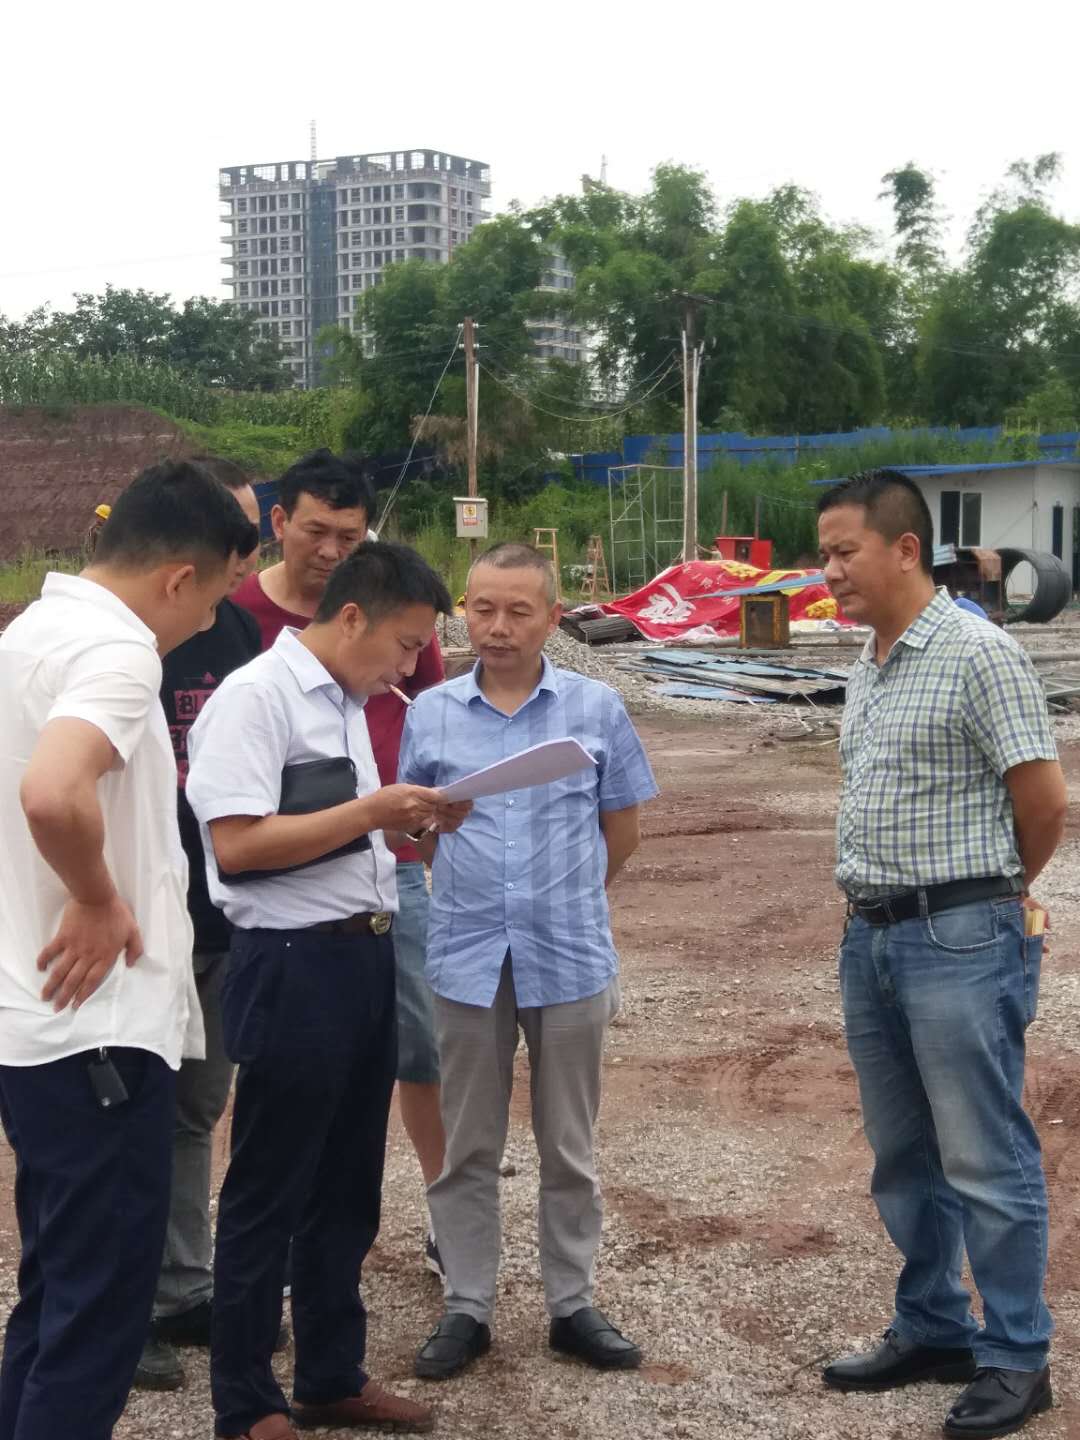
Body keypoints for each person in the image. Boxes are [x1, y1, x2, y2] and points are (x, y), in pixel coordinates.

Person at [186, 542, 469, 1440]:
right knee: (269, 1188)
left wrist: (411, 826)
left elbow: (336, 840)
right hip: (291, 964)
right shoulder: (255, 699)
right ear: (352, 617)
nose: (410, 668)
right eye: (406, 644)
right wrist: (372, 812)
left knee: (348, 1186)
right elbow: (237, 846)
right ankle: (245, 1403)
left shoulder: (348, 701)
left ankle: (330, 1376)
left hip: (363, 957)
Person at [0, 462, 257, 1440]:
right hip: (97, 1034)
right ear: (180, 577)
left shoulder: (30, 634)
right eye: (218, 595)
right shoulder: (117, 653)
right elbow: (52, 792)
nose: (213, 620)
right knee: (98, 1317)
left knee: (58, 1294)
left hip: (44, 1027)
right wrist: (99, 899)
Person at [817, 470, 1067, 1439]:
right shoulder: (869, 664)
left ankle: (1016, 1356)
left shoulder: (978, 654)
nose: (829, 571)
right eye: (824, 554)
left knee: (983, 1152)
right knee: (904, 1152)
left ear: (905, 549)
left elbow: (1042, 803)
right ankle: (933, 1325)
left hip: (960, 935)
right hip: (871, 935)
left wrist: (993, 898)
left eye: (845, 552)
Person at [400, 542, 658, 1381]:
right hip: (467, 954)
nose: (498, 627)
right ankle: (467, 1305)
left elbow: (622, 830)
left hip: (568, 954)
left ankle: (572, 1304)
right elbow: (417, 832)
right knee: (466, 1146)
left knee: (569, 1145)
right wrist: (436, 831)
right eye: (482, 609)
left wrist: (566, 897)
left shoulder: (596, 708)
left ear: (553, 617)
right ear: (462, 613)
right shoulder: (431, 713)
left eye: (518, 611)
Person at [233, 449, 448, 1274]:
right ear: (277, 522)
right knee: (281, 1068)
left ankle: (445, 1221)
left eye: (348, 536)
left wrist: (429, 813)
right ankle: (271, 1250)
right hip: (280, 888)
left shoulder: (398, 622)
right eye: (315, 531)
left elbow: (428, 717)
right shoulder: (237, 622)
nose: (329, 550)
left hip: (389, 872)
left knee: (416, 1049)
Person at [133, 459, 275, 1392]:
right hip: (137, 921)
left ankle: (180, 1288)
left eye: (248, 536)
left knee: (193, 1110)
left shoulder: (236, 629)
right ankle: (118, 1304)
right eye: (230, 536)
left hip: (216, 913)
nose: (241, 556)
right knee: (125, 1117)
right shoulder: (127, 639)